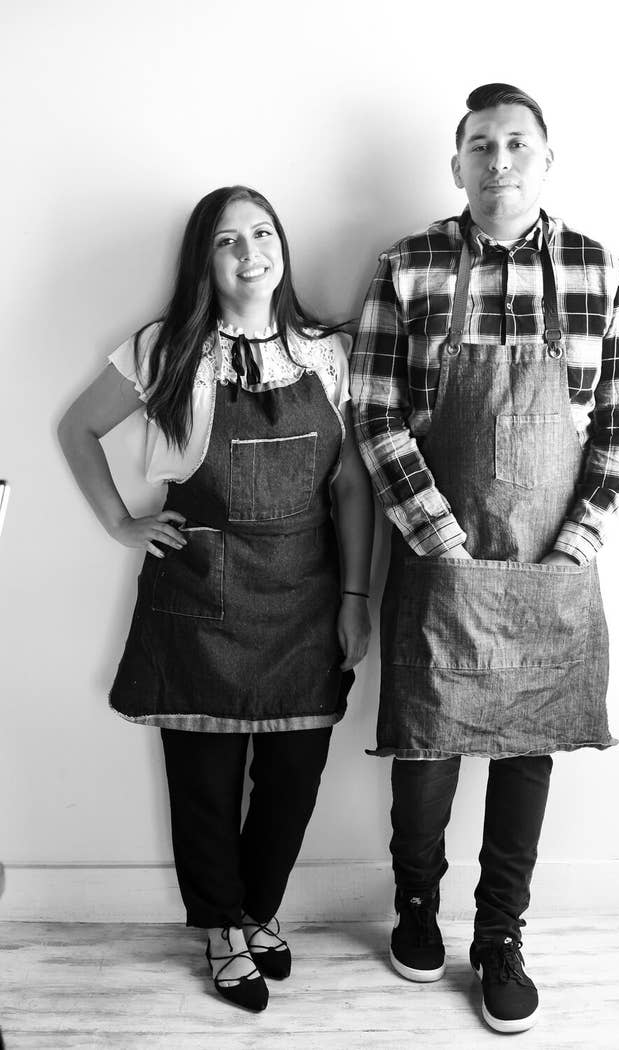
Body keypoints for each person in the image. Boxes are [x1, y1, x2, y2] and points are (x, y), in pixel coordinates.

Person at [350, 84, 619, 1034]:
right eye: (481, 144)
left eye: (517, 143)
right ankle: (419, 905)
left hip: (552, 562)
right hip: (440, 555)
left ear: (545, 159)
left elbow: (617, 429)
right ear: (458, 163)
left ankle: (502, 933)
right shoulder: (410, 264)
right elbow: (373, 412)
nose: (499, 160)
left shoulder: (600, 270)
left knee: (527, 751)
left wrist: (579, 540)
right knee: (427, 749)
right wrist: (438, 534)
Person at [58, 185, 374, 1013]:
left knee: (294, 777)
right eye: (228, 239)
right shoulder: (168, 349)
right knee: (203, 779)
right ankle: (221, 927)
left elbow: (349, 488)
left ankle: (259, 909)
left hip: (306, 595)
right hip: (196, 593)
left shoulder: (327, 352)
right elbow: (77, 429)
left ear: (283, 245)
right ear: (204, 258)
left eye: (262, 233)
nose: (250, 252)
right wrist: (123, 524)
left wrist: (354, 596)